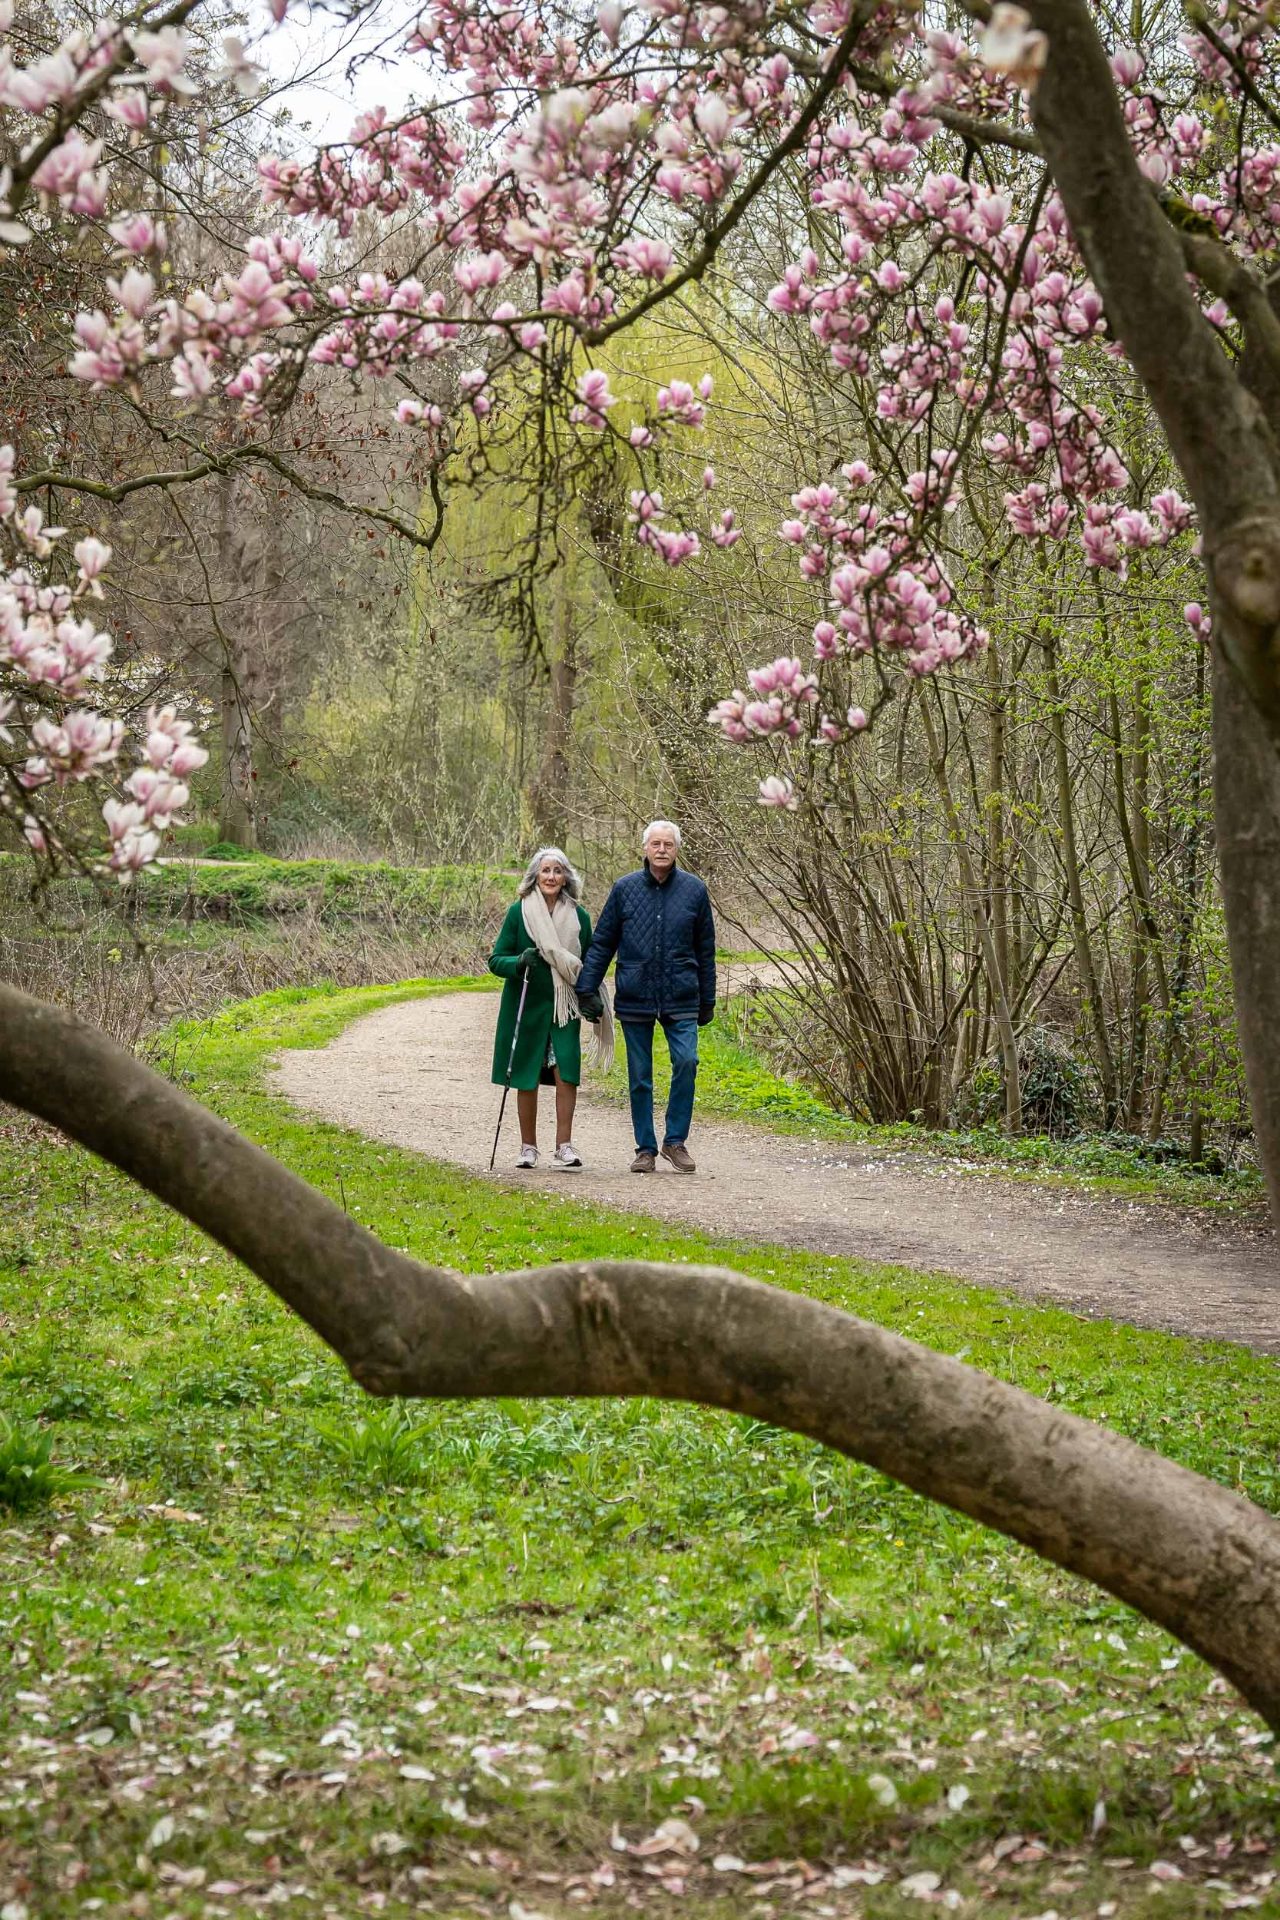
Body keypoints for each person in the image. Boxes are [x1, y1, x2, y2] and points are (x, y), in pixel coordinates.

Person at [576, 820, 716, 1174]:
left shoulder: (695, 890)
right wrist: (586, 988)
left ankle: (675, 1142)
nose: (662, 850)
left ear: (677, 849)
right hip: (636, 992)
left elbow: (706, 949)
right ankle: (646, 1148)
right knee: (640, 1074)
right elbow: (604, 941)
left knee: (687, 1061)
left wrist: (708, 999)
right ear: (645, 849)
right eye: (656, 844)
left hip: (681, 992)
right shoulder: (624, 889)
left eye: (668, 844)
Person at [489, 847, 613, 1170]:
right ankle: (528, 1148)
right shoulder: (519, 913)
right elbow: (495, 960)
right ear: (534, 876)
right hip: (526, 1007)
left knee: (565, 1073)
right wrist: (519, 961)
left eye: (557, 871)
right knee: (525, 1075)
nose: (551, 877)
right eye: (545, 871)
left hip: (564, 1008)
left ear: (566, 878)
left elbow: (590, 963)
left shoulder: (579, 917)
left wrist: (590, 995)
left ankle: (564, 1147)